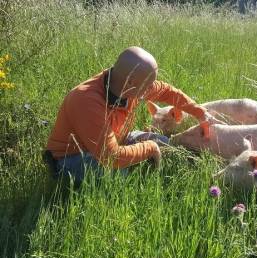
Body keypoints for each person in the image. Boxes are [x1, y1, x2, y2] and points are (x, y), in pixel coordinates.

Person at [44, 46, 219, 186]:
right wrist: (148, 148)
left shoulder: (127, 84)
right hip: (73, 158)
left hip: (116, 141)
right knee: (121, 174)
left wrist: (201, 113)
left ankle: (202, 168)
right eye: (148, 84)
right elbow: (111, 157)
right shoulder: (86, 101)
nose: (152, 88)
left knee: (168, 145)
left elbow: (167, 91)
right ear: (130, 83)